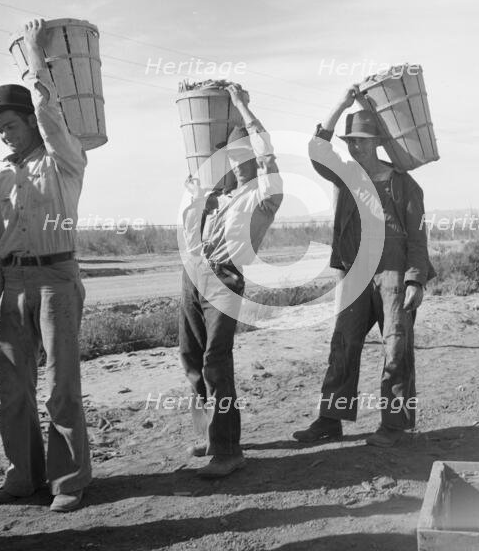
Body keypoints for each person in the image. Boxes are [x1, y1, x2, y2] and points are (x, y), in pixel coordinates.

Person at [0, 19, 91, 511]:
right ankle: (23, 478)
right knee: (11, 391)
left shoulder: (65, 160)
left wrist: (34, 59)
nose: (3, 135)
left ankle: (67, 484)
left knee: (60, 389)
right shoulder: (4, 180)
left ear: (30, 122)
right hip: (13, 284)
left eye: (10, 125)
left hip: (56, 282)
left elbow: (51, 117)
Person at [293, 87, 435, 446]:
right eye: (351, 141)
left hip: (394, 274)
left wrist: (415, 281)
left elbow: (418, 239)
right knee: (343, 343)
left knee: (396, 347)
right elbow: (317, 150)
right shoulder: (347, 176)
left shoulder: (405, 186)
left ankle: (395, 426)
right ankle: (330, 420)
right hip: (356, 272)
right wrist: (341, 103)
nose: (355, 147)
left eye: (362, 141)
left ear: (376, 144)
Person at [179, 84, 283, 477]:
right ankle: (209, 435)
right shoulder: (218, 195)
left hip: (224, 280)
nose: (239, 164)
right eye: (232, 157)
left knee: (215, 362)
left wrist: (241, 106)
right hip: (192, 277)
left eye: (246, 158)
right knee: (191, 357)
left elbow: (265, 149)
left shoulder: (264, 195)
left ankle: (229, 451)